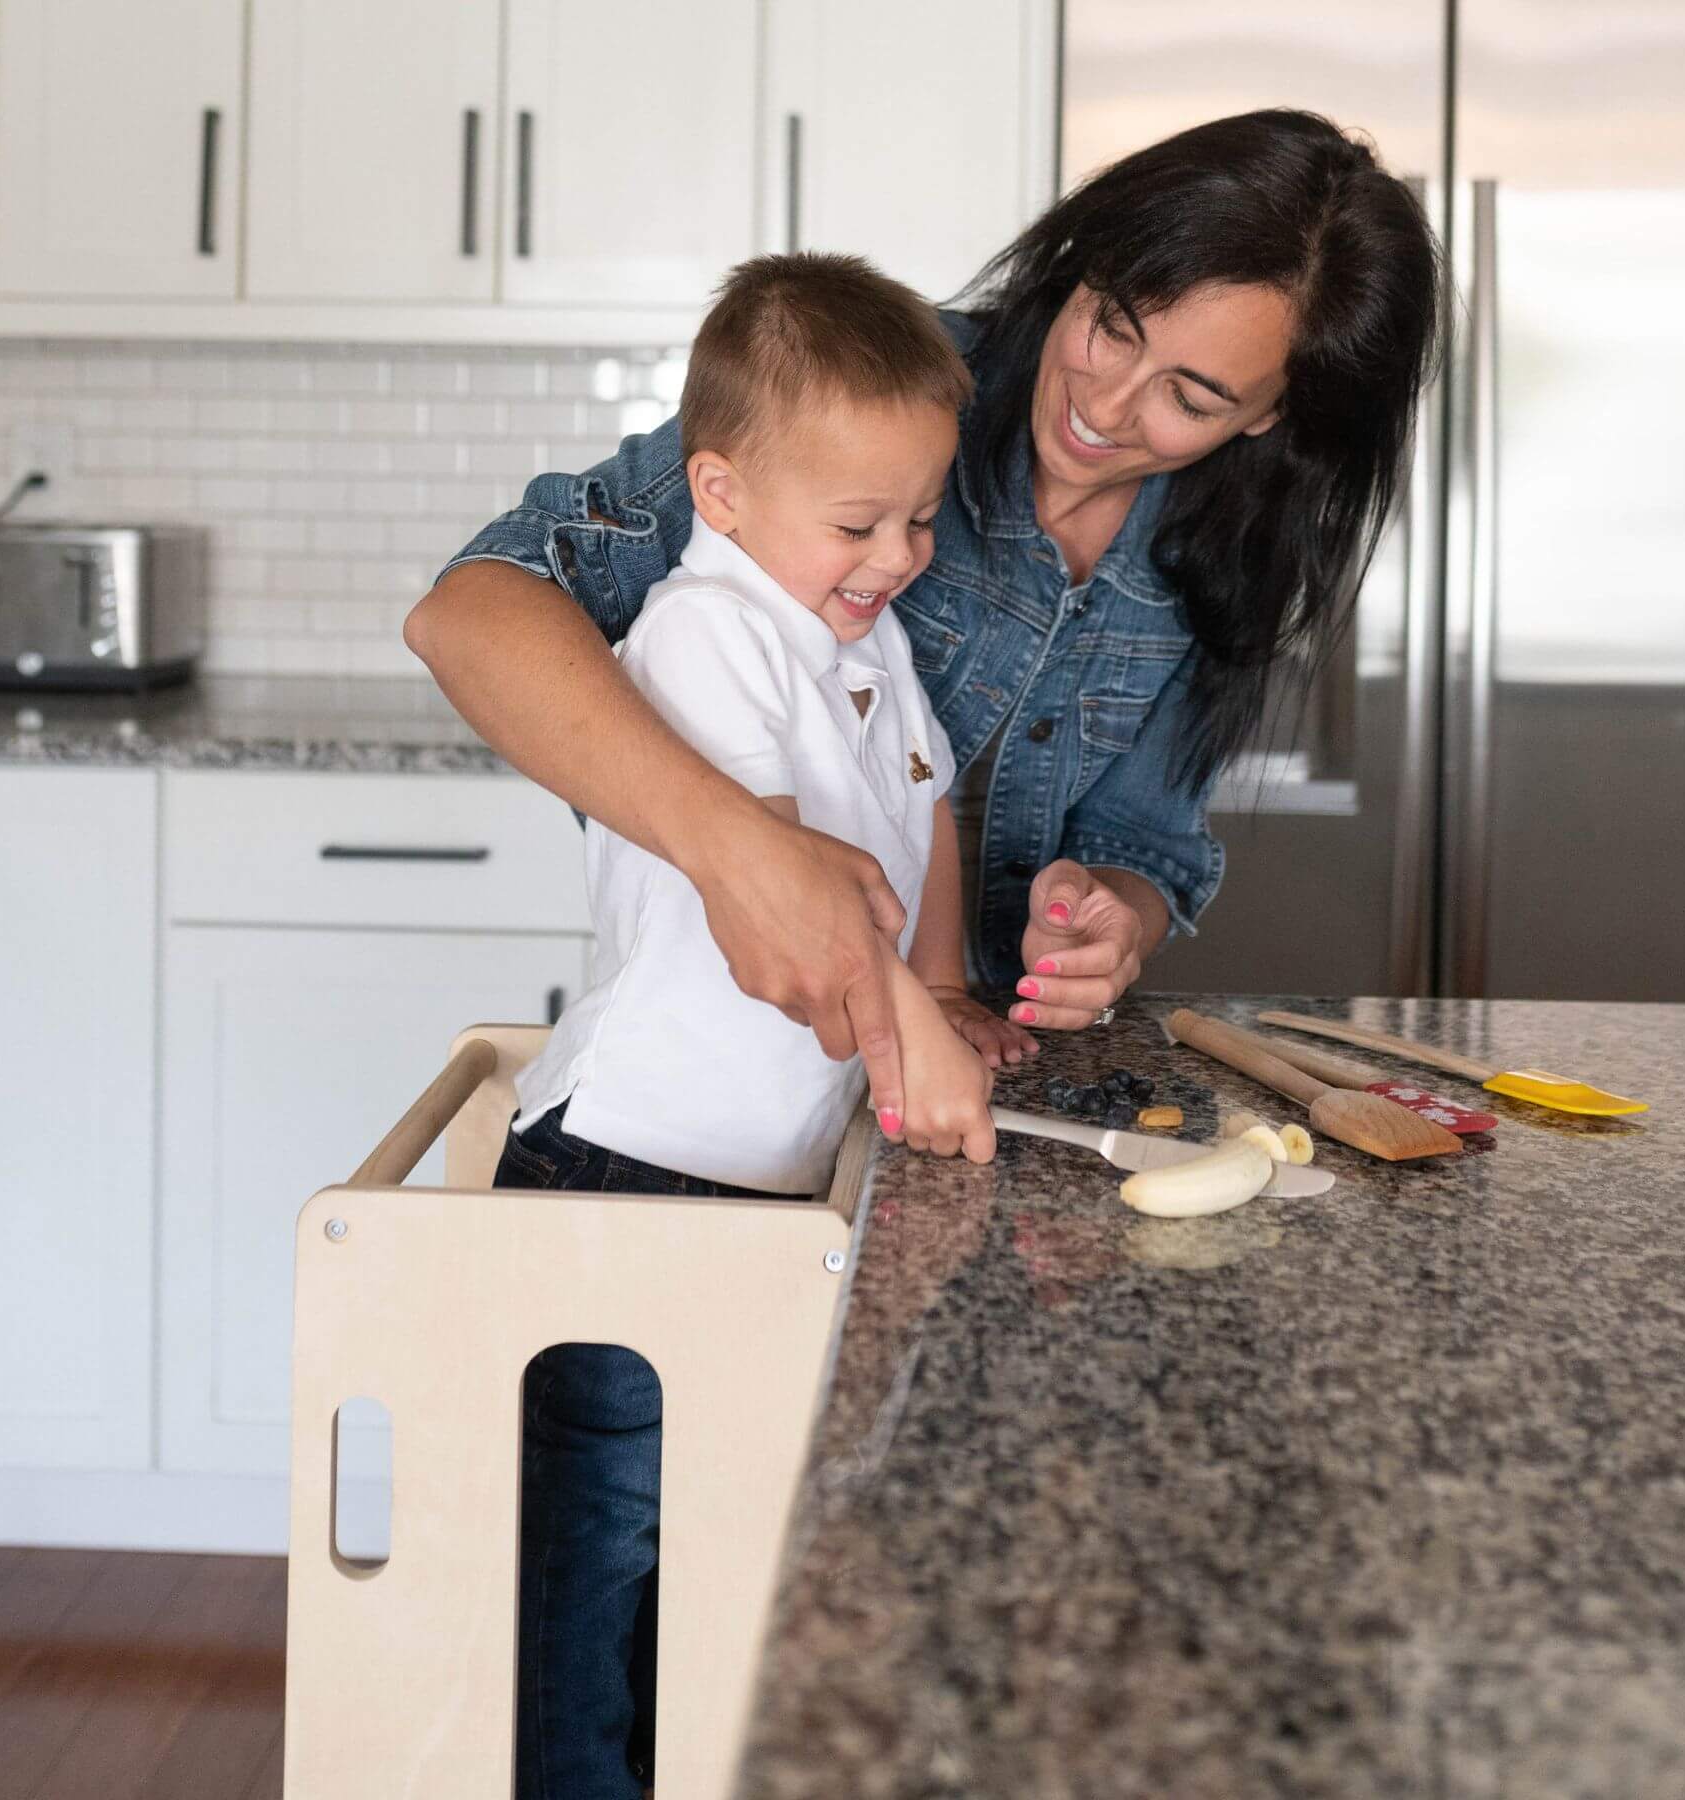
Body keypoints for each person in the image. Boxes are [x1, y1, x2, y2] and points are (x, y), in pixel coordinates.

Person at [407, 110, 1446, 1134]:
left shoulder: (1229, 544)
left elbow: (1142, 844)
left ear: (1270, 411)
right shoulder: (873, 395)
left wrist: (1110, 921)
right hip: (739, 1069)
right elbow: (471, 614)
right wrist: (745, 856)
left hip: (959, 1069)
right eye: (1114, 325)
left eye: (1192, 394)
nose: (1109, 403)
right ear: (1082, 265)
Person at [492, 251, 1016, 1800]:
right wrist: (901, 1027)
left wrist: (949, 1002)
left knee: (715, 1549)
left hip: (755, 1184)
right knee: (601, 1564)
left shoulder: (870, 646)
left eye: (920, 518)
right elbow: (794, 901)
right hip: (628, 1176)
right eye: (858, 524)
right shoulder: (703, 634)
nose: (900, 555)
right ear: (716, 493)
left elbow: (922, 831)